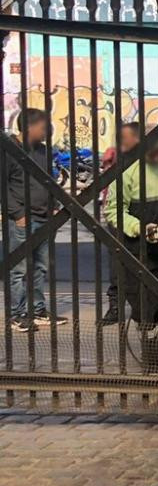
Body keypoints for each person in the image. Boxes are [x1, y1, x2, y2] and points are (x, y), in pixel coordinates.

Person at [102, 132, 158, 330]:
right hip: (140, 249)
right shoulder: (127, 170)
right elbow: (114, 210)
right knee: (145, 307)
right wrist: (138, 228)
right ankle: (150, 344)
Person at [3, 108, 62, 332]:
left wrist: (54, 206)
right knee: (17, 269)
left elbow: (50, 181)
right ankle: (16, 314)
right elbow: (4, 186)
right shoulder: (9, 150)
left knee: (40, 268)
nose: (47, 131)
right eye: (43, 127)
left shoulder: (44, 151)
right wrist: (17, 215)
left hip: (44, 217)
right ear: (29, 127)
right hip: (21, 220)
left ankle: (37, 311)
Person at [99, 123, 142, 325]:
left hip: (139, 211)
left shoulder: (149, 156)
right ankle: (116, 305)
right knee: (118, 262)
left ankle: (142, 307)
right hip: (118, 212)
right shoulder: (116, 154)